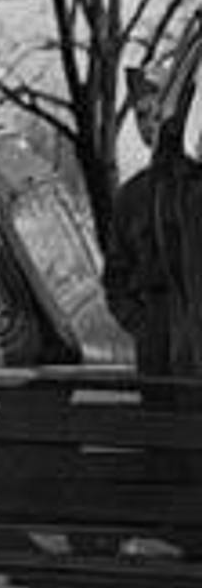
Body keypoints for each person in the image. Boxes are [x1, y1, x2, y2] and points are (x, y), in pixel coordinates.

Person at [106, 66, 175, 375]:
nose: (149, 125)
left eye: (156, 113)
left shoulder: (193, 186)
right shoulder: (130, 197)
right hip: (157, 352)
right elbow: (115, 277)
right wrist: (144, 327)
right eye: (140, 116)